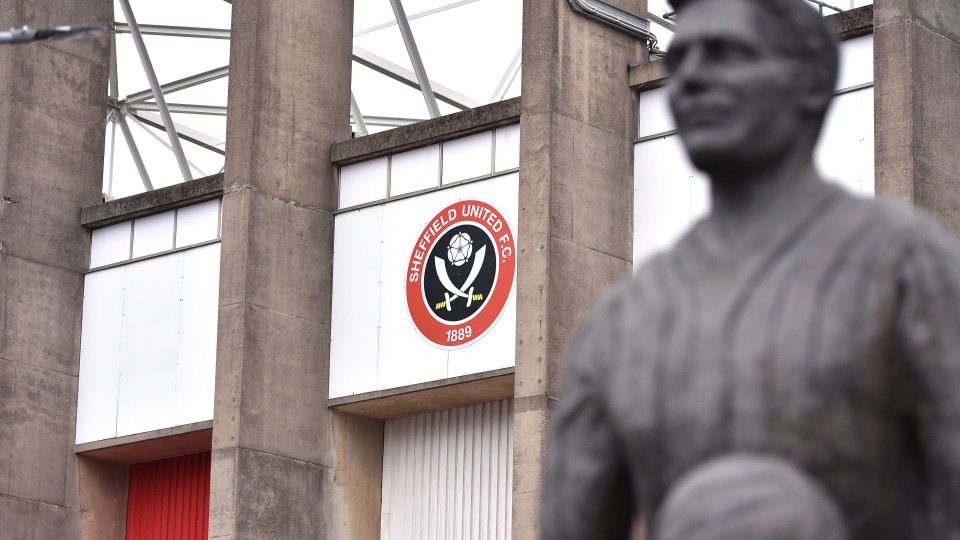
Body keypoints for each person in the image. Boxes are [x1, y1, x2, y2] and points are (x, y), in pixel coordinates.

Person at [541, 0, 960, 538]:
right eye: (682, 59)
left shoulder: (908, 265)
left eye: (726, 54)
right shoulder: (619, 325)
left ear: (810, 79)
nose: (691, 79)